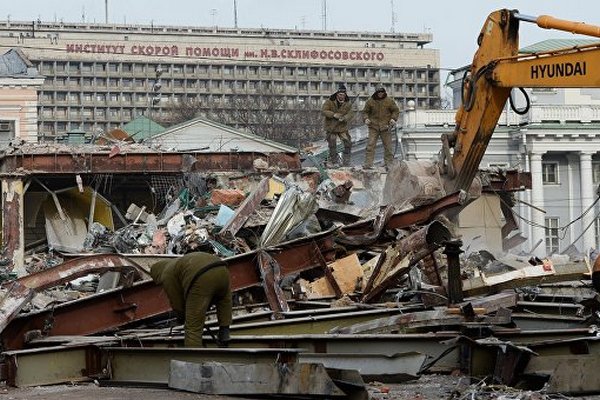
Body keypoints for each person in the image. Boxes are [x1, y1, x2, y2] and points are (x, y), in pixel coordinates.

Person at [149, 252, 232, 347]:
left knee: (192, 328)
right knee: (224, 300)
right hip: (222, 269)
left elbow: (176, 301)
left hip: (202, 275)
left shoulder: (166, 274)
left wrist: (182, 317)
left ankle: (194, 359)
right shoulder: (177, 264)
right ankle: (224, 334)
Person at [361, 84, 400, 169]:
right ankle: (368, 164)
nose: (380, 93)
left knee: (388, 146)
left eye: (382, 92)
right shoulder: (370, 101)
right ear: (376, 92)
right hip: (373, 126)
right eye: (379, 92)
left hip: (386, 127)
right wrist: (366, 118)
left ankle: (388, 163)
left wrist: (393, 118)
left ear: (384, 92)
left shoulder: (389, 101)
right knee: (370, 145)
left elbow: (396, 110)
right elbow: (365, 112)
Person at [322, 84, 354, 167]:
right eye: (340, 94)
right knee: (332, 144)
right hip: (331, 127)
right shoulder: (329, 101)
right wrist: (333, 115)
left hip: (342, 127)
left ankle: (346, 162)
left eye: (343, 95)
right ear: (337, 94)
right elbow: (324, 111)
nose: (342, 96)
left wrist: (344, 118)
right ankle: (334, 161)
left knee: (348, 143)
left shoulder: (348, 103)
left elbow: (351, 113)